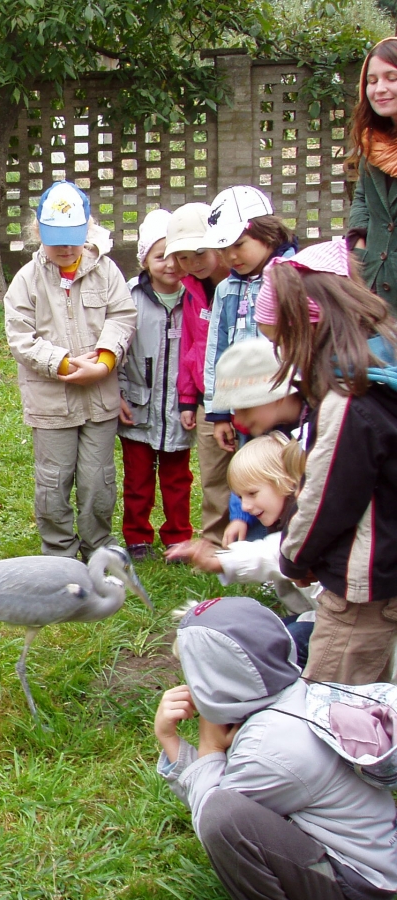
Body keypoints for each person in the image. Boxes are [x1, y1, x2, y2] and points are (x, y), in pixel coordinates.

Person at [154, 596, 397, 900]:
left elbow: (212, 817)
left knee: (221, 815)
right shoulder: (291, 697)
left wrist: (207, 747)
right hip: (373, 860)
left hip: (355, 884)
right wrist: (186, 745)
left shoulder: (268, 745)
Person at [258, 239, 397, 684]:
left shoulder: (349, 402)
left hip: (360, 590)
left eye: (282, 342)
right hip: (389, 572)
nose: (284, 357)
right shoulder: (385, 370)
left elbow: (325, 500)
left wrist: (294, 557)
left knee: (335, 707)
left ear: (307, 331)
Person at [4, 180, 137, 559]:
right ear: (37, 233)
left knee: (98, 478)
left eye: (72, 239)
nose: (64, 248)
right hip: (50, 401)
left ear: (88, 231)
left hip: (99, 396)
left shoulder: (107, 272)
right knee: (53, 478)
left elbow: (123, 316)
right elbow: (20, 336)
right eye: (54, 238)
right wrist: (60, 362)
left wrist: (105, 361)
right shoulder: (26, 280)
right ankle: (59, 548)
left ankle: (98, 545)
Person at [200, 186, 297, 547]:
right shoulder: (227, 289)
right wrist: (221, 411)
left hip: (285, 404)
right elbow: (217, 351)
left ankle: (292, 551)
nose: (230, 256)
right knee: (250, 473)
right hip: (247, 410)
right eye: (223, 248)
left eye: (238, 245)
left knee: (288, 474)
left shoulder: (291, 277)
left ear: (266, 232)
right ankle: (253, 549)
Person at [167, 433, 319, 618]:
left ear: (285, 481)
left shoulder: (306, 524)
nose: (245, 506)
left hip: (331, 624)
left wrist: (218, 562)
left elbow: (270, 552)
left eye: (252, 493)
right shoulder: (283, 521)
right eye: (240, 497)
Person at [117, 209, 194, 560]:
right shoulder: (129, 298)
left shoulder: (196, 297)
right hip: (139, 406)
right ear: (145, 260)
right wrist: (118, 393)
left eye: (177, 256)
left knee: (178, 480)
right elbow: (117, 350)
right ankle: (137, 537)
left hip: (180, 409)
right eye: (160, 256)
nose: (170, 265)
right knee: (138, 480)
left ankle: (178, 536)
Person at [165, 202, 234, 547]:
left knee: (254, 470)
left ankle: (254, 544)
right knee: (213, 474)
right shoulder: (191, 291)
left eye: (199, 252)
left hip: (243, 394)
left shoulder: (239, 283)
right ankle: (213, 541)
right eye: (183, 257)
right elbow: (190, 344)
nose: (193, 263)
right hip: (209, 398)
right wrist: (188, 398)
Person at [348, 36, 397, 314]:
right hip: (374, 289)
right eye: (372, 80)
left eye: (392, 77)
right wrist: (359, 246)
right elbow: (363, 198)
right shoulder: (373, 142)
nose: (380, 89)